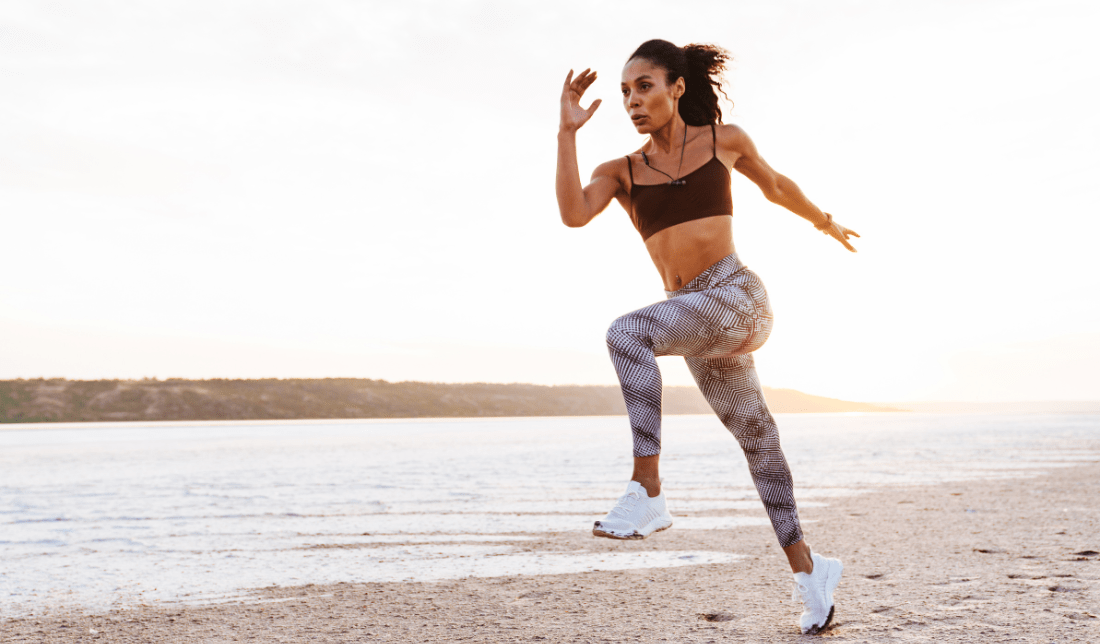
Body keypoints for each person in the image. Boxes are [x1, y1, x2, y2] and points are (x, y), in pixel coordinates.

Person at [555, 39, 857, 635]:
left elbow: (776, 185)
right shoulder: (621, 171)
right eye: (623, 92)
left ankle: (648, 488)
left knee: (627, 334)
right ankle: (811, 575)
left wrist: (825, 222)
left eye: (643, 86)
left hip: (738, 298)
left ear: (677, 87)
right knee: (760, 441)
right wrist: (566, 133)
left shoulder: (724, 142)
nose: (632, 101)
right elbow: (572, 213)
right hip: (692, 318)